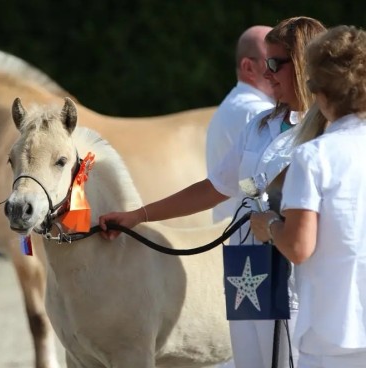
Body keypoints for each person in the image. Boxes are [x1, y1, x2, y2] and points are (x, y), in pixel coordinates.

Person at [99, 16, 326, 368]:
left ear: (301, 64)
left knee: (286, 360)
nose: (267, 74)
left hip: (290, 271)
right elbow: (214, 187)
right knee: (249, 361)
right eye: (265, 62)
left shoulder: (328, 132)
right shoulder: (259, 124)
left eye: (275, 64)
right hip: (245, 265)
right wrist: (138, 216)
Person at [251, 25, 366, 368]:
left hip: (333, 335)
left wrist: (269, 225)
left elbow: (298, 247)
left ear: (319, 92)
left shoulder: (313, 157)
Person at [206, 25, 275, 223]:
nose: (278, 68)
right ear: (248, 67)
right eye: (271, 60)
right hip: (253, 239)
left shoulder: (231, 106)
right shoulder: (257, 113)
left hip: (233, 237)